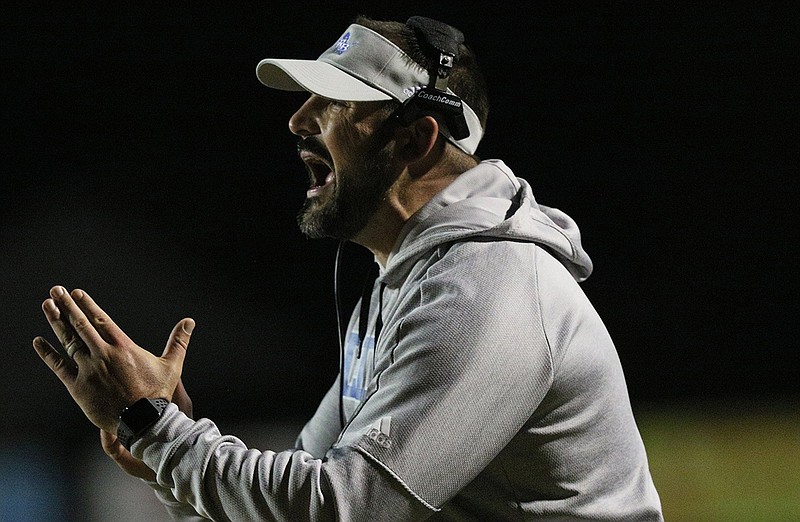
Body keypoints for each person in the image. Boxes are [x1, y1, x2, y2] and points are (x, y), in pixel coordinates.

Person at [33, 14, 663, 521]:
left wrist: (157, 427)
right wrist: (168, 451)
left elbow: (345, 507)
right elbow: (303, 494)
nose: (298, 119)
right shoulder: (406, 288)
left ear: (416, 139)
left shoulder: (484, 290)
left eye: (333, 101)